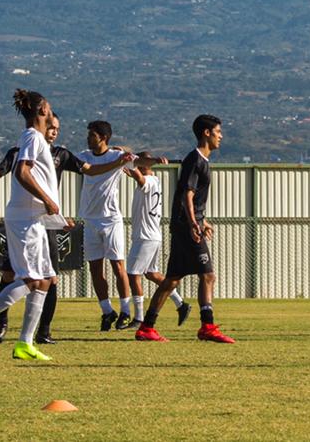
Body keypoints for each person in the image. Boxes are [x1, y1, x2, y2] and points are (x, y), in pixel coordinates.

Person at [0, 111, 131, 342]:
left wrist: (59, 218)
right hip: (26, 222)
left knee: (49, 279)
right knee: (15, 275)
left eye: (57, 129)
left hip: (47, 225)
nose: (53, 131)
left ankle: (39, 333)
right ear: (41, 123)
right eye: (51, 126)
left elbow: (91, 169)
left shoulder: (61, 155)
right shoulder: (22, 150)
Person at [0, 89, 65, 362]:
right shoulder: (31, 137)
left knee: (44, 281)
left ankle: (25, 343)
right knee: (30, 280)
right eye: (49, 107)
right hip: (24, 219)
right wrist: (47, 199)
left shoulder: (37, 139)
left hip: (35, 219)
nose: (51, 112)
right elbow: (22, 171)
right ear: (42, 111)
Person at [136, 114, 233, 344]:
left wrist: (203, 220)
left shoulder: (203, 161)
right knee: (208, 275)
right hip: (186, 227)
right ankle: (207, 326)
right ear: (206, 133)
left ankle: (146, 327)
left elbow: (195, 199)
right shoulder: (194, 159)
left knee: (171, 280)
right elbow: (187, 195)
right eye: (218, 132)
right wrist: (193, 224)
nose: (221, 136)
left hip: (188, 225)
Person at [78, 120, 138, 331]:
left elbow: (138, 158)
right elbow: (91, 170)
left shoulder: (115, 155)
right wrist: (119, 161)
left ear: (103, 138)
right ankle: (106, 311)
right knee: (95, 268)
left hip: (111, 219)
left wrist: (125, 151)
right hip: (90, 218)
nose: (88, 138)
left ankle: (125, 311)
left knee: (117, 266)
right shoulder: (84, 156)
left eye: (92, 134)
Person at [124, 152, 189, 328]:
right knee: (151, 273)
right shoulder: (155, 180)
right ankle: (181, 304)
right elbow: (134, 174)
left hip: (145, 237)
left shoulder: (149, 181)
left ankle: (138, 318)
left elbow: (138, 176)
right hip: (151, 235)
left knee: (133, 274)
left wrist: (130, 161)